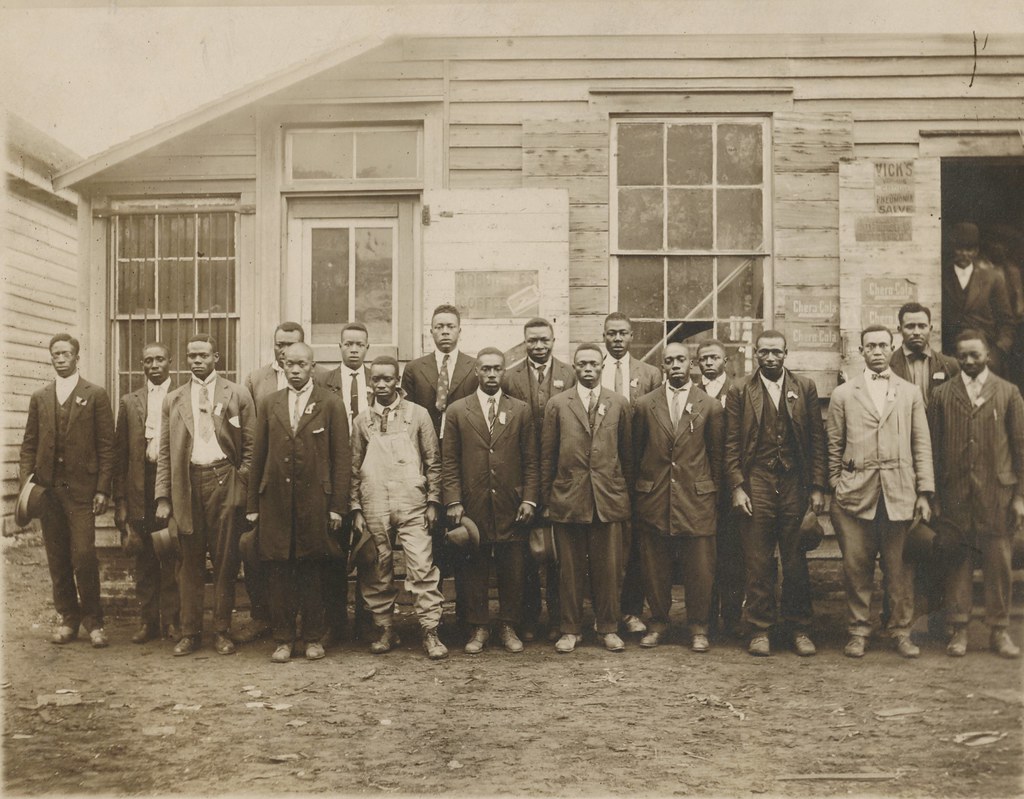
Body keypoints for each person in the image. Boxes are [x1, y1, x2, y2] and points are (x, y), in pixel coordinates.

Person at [827, 325, 934, 659]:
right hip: (855, 496)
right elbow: (833, 446)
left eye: (882, 345)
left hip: (899, 494)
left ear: (892, 348)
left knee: (899, 569)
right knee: (856, 568)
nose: (876, 351)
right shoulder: (844, 394)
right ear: (861, 351)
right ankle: (858, 631)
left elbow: (921, 444)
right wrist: (837, 484)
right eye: (870, 346)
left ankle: (901, 630)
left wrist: (924, 492)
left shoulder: (909, 392)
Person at [246, 342, 351, 663]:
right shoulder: (269, 404)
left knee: (312, 567)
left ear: (312, 366)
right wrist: (253, 505)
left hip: (316, 501)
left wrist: (337, 506)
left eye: (301, 365)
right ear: (282, 364)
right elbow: (259, 455)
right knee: (278, 569)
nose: (295, 370)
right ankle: (283, 638)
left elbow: (342, 459)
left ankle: (313, 638)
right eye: (289, 364)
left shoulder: (331, 403)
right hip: (275, 500)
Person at [725, 330, 827, 657]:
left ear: (786, 354)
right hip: (757, 480)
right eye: (764, 352)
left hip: (795, 481)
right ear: (755, 354)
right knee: (757, 558)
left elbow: (816, 441)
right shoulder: (741, 389)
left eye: (776, 352)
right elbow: (729, 445)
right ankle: (759, 629)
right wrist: (738, 486)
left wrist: (817, 487)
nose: (770, 358)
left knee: (795, 558)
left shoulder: (804, 388)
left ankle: (799, 627)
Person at [155, 334, 255, 656]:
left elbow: (252, 447)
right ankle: (190, 632)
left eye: (203, 355)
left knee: (226, 559)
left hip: (224, 479)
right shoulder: (174, 399)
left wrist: (240, 483)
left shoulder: (237, 394)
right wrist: (163, 497)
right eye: (192, 356)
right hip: (187, 483)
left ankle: (222, 631)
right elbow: (166, 452)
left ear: (217, 357)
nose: (197, 361)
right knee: (189, 561)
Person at [929, 330, 1024, 659]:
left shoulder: (1008, 393)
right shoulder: (941, 395)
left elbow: (1020, 449)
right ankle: (959, 630)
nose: (968, 361)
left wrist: (1020, 497)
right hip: (955, 494)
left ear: (988, 356)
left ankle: (999, 630)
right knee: (958, 561)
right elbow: (932, 449)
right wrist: (935, 496)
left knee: (999, 564)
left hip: (997, 494)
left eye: (975, 355)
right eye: (962, 355)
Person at [19, 333, 115, 647]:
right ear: (51, 358)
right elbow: (28, 446)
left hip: (81, 490)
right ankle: (68, 619)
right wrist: (27, 489)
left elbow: (106, 446)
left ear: (76, 357)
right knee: (57, 555)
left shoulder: (95, 394)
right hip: (48, 490)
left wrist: (102, 489)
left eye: (66, 353)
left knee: (84, 555)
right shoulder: (40, 396)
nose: (61, 358)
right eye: (56, 354)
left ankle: (94, 622)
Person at [350, 356, 448, 659]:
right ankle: (385, 629)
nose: (382, 385)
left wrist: (433, 502)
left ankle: (430, 631)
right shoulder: (361, 420)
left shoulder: (418, 415)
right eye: (376, 379)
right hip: (374, 500)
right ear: (370, 382)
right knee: (378, 568)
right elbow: (354, 468)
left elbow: (434, 462)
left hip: (412, 501)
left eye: (388, 379)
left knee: (421, 566)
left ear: (397, 382)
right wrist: (355, 508)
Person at [443, 347, 539, 654]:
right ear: (476, 372)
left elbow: (532, 461)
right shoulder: (458, 410)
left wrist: (529, 499)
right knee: (474, 564)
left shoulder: (521, 410)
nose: (492, 374)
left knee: (513, 564)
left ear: (505, 371)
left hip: (511, 502)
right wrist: (454, 501)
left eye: (497, 368)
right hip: (473, 503)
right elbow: (449, 462)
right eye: (486, 369)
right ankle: (479, 627)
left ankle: (508, 624)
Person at [541, 343, 634, 653]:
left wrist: (623, 497)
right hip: (568, 497)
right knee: (569, 569)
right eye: (582, 364)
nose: (588, 369)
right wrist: (547, 500)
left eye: (594, 363)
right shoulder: (557, 404)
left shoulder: (619, 403)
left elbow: (627, 455)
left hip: (607, 499)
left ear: (602, 364)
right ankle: (570, 629)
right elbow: (547, 456)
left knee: (609, 568)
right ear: (575, 367)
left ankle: (608, 627)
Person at [633, 342, 725, 651]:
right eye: (669, 360)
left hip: (696, 499)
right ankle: (658, 621)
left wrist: (710, 494)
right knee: (654, 564)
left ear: (692, 365)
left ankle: (699, 626)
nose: (675, 365)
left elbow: (717, 457)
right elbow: (636, 453)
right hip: (655, 497)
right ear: (662, 366)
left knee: (699, 566)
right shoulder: (646, 404)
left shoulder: (709, 406)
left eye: (681, 360)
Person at [401, 304, 479, 629]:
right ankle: (435, 618)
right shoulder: (416, 369)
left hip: (463, 460)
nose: (445, 331)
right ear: (430, 331)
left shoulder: (474, 367)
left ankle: (467, 614)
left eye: (450, 326)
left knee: (462, 537)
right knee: (432, 542)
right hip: (427, 460)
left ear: (460, 330)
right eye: (439, 326)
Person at [239, 321, 314, 644]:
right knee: (260, 551)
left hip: (308, 487)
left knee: (308, 556)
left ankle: (310, 625)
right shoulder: (258, 382)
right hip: (272, 487)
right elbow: (254, 441)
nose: (284, 352)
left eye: (292, 345)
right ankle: (266, 619)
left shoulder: (319, 384)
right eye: (280, 345)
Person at [501, 317, 575, 642]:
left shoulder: (569, 374)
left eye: (544, 340)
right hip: (523, 473)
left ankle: (559, 618)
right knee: (528, 551)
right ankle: (529, 618)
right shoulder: (509, 377)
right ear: (525, 342)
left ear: (553, 340)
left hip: (562, 471)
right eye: (533, 341)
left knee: (560, 551)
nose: (539, 346)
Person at [113, 342, 180, 643]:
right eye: (148, 360)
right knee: (144, 560)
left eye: (160, 360)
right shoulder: (129, 402)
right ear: (142, 365)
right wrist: (122, 502)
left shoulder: (182, 396)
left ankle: (173, 622)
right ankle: (148, 622)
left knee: (170, 553)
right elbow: (120, 456)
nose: (154, 365)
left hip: (171, 485)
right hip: (140, 483)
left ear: (170, 362)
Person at [602, 311, 662, 636]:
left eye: (623, 333)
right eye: (611, 333)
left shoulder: (650, 374)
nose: (617, 339)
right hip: (603, 467)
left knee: (636, 543)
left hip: (639, 466)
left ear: (631, 336)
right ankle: (604, 611)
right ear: (604, 337)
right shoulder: (590, 370)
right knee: (605, 543)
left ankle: (631, 610)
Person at [321, 322, 373, 646]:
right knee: (334, 551)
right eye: (348, 344)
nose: (353, 349)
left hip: (370, 472)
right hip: (335, 472)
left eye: (359, 345)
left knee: (369, 549)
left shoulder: (379, 381)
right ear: (339, 347)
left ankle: (367, 624)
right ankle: (334, 623)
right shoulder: (323, 382)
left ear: (368, 348)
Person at [697, 339, 742, 638]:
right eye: (704, 359)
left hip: (731, 483)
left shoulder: (738, 391)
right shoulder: (690, 393)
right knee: (705, 554)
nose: (709, 363)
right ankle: (706, 617)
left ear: (725, 361)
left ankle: (733, 617)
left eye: (715, 358)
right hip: (701, 483)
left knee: (733, 553)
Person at [941, 222, 1014, 375]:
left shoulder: (992, 278)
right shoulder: (941, 276)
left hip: (986, 352)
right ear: (953, 249)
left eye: (969, 249)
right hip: (950, 352)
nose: (964, 254)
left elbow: (1006, 321)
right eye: (960, 249)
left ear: (976, 251)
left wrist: (997, 351)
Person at [889, 302, 959, 408]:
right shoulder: (888, 365)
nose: (916, 332)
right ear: (900, 330)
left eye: (922, 326)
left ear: (930, 329)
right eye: (910, 326)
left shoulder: (950, 365)